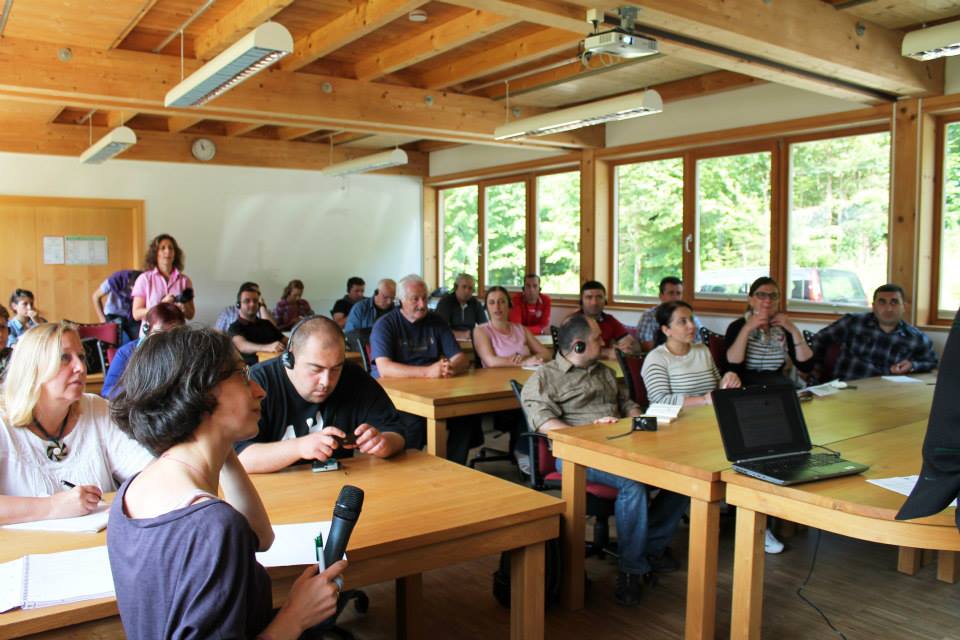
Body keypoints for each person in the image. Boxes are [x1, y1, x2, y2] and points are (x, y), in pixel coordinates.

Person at [107, 326, 347, 638]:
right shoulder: (213, 525)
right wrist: (295, 616)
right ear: (200, 391)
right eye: (242, 376)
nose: (259, 391)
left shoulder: (132, 490)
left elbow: (261, 538)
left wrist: (222, 442)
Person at [520, 314, 688, 606]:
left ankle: (647, 546)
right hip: (576, 456)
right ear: (579, 345)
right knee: (632, 484)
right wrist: (589, 434)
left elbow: (628, 404)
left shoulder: (605, 373)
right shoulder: (545, 378)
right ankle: (631, 569)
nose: (605, 342)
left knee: (686, 476)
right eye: (598, 338)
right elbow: (544, 423)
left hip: (622, 446)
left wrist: (635, 420)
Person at [0, 322, 153, 525]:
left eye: (81, 356)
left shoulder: (96, 408)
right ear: (32, 368)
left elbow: (148, 470)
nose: (80, 367)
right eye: (64, 358)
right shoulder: (3, 422)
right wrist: (53, 506)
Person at [236, 316, 405, 473]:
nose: (326, 381)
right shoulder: (258, 383)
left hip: (338, 484)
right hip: (274, 490)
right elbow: (239, 457)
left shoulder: (353, 376)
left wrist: (384, 443)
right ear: (290, 358)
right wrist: (299, 447)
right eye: (316, 369)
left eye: (336, 369)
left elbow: (396, 431)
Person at [370, 274, 482, 464]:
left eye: (424, 298)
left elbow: (461, 359)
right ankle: (408, 472)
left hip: (433, 390)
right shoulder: (385, 324)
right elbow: (385, 368)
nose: (422, 305)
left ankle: (453, 468)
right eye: (415, 299)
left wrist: (449, 367)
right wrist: (428, 372)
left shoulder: (436, 321)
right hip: (395, 395)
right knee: (414, 424)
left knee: (465, 417)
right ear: (401, 300)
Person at [812, 283, 939, 381]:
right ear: (874, 306)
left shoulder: (916, 338)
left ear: (904, 307)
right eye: (882, 302)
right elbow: (819, 339)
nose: (888, 308)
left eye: (894, 302)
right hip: (846, 388)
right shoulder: (853, 323)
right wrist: (814, 368)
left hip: (887, 395)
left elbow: (932, 363)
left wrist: (912, 365)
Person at [641, 301, 741, 407]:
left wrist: (727, 381)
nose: (692, 326)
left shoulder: (703, 350)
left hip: (708, 413)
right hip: (677, 417)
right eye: (682, 322)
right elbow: (659, 401)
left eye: (691, 319)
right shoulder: (656, 358)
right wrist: (703, 400)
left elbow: (717, 386)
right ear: (666, 330)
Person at [724, 276, 814, 386]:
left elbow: (806, 366)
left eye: (773, 296)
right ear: (751, 300)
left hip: (776, 385)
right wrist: (747, 329)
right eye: (761, 295)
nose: (768, 300)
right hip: (745, 386)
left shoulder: (783, 327)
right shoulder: (737, 326)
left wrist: (794, 330)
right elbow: (732, 365)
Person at [101, 303, 186, 399]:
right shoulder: (126, 352)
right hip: (137, 404)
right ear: (147, 329)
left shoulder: (186, 353)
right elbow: (107, 391)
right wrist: (138, 390)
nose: (168, 339)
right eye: (161, 332)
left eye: (175, 333)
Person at [474, 286, 551, 368]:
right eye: (492, 302)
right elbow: (491, 361)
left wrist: (531, 360)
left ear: (509, 305)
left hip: (526, 374)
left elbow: (547, 354)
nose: (497, 307)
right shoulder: (480, 330)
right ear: (486, 307)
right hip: (497, 376)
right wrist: (524, 362)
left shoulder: (521, 329)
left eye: (502, 302)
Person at [131, 234, 195, 333]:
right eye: (163, 248)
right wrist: (161, 305)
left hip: (177, 335)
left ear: (175, 253)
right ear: (155, 253)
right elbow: (136, 314)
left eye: (171, 248)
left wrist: (184, 308)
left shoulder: (185, 281)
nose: (167, 251)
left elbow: (191, 315)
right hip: (151, 335)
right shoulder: (144, 279)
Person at [636, 277, 704, 352]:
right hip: (659, 356)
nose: (675, 297)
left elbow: (699, 343)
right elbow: (647, 347)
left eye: (678, 293)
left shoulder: (690, 316)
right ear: (661, 296)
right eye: (671, 293)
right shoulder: (649, 316)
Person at [228, 283, 287, 366]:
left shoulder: (266, 323)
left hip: (279, 365)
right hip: (253, 370)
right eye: (247, 301)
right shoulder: (234, 327)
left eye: (255, 301)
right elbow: (242, 346)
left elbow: (285, 340)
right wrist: (268, 347)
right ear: (239, 305)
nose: (252, 304)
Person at [577, 280, 638, 359]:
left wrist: (627, 347)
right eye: (589, 297)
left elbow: (635, 345)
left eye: (599, 297)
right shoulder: (573, 321)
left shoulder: (610, 320)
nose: (594, 302)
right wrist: (607, 353)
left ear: (605, 300)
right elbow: (574, 350)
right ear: (581, 301)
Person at [91, 269, 142, 345]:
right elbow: (95, 297)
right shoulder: (116, 279)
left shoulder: (145, 282)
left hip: (132, 317)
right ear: (128, 283)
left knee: (140, 342)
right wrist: (103, 321)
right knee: (120, 342)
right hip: (113, 315)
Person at [435, 273, 487, 340]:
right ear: (456, 287)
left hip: (470, 341)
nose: (467, 291)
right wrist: (462, 335)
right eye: (464, 287)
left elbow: (485, 327)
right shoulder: (445, 302)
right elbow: (439, 329)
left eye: (470, 288)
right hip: (448, 341)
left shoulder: (475, 304)